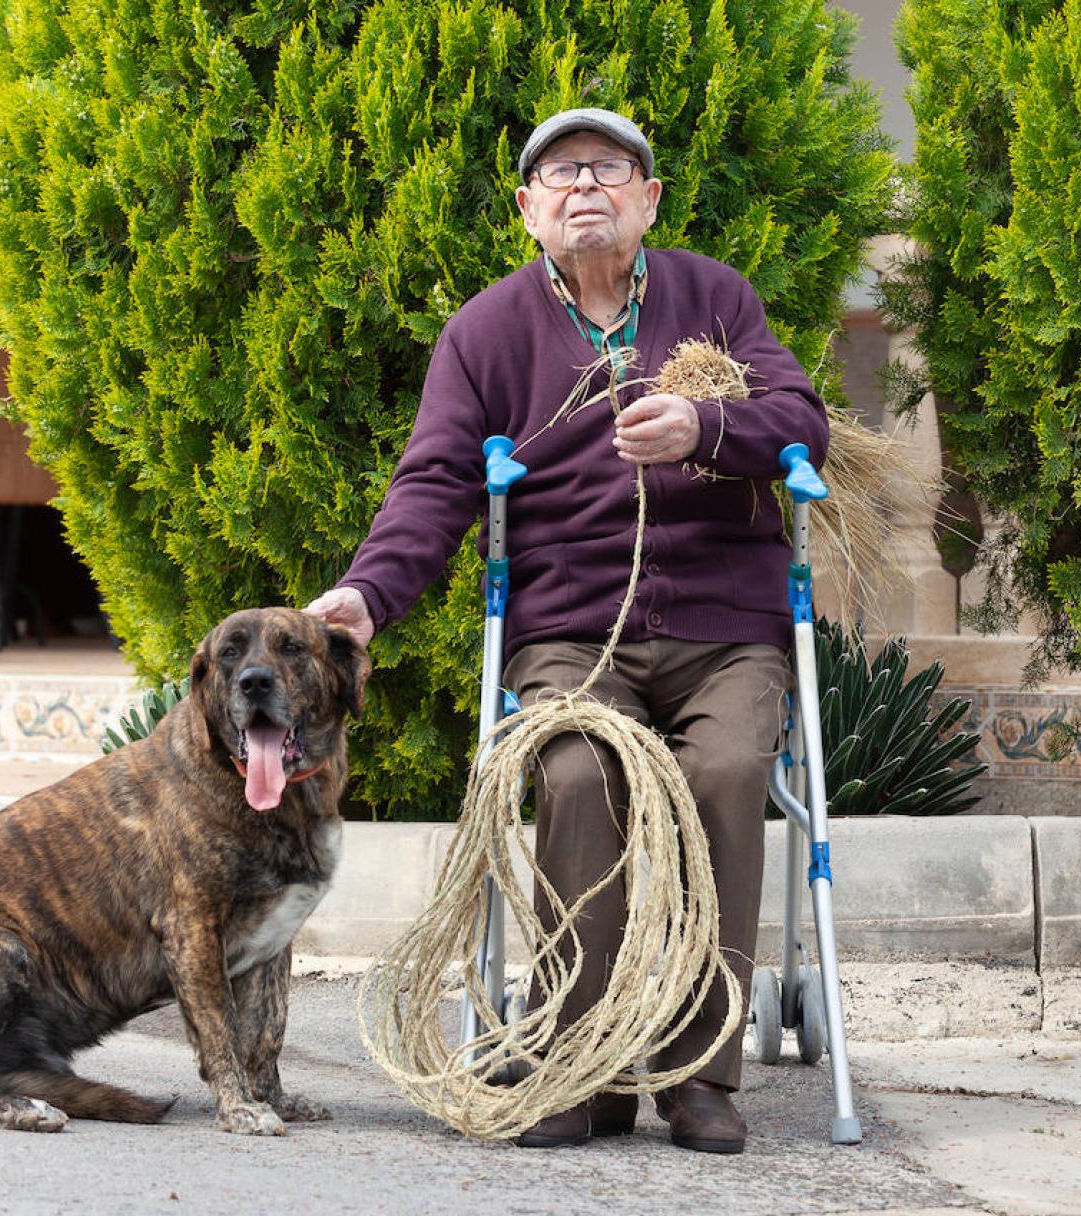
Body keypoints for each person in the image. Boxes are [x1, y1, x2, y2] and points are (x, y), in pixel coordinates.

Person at [304, 108, 827, 1155]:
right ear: (528, 210)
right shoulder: (487, 331)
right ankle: (580, 1057)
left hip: (728, 628)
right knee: (582, 774)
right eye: (560, 172)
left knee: (725, 770)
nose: (584, 184)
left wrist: (707, 430)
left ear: (649, 200)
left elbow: (802, 419)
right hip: (573, 630)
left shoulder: (712, 298)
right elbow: (435, 484)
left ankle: (692, 1068)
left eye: (609, 168)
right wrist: (368, 595)